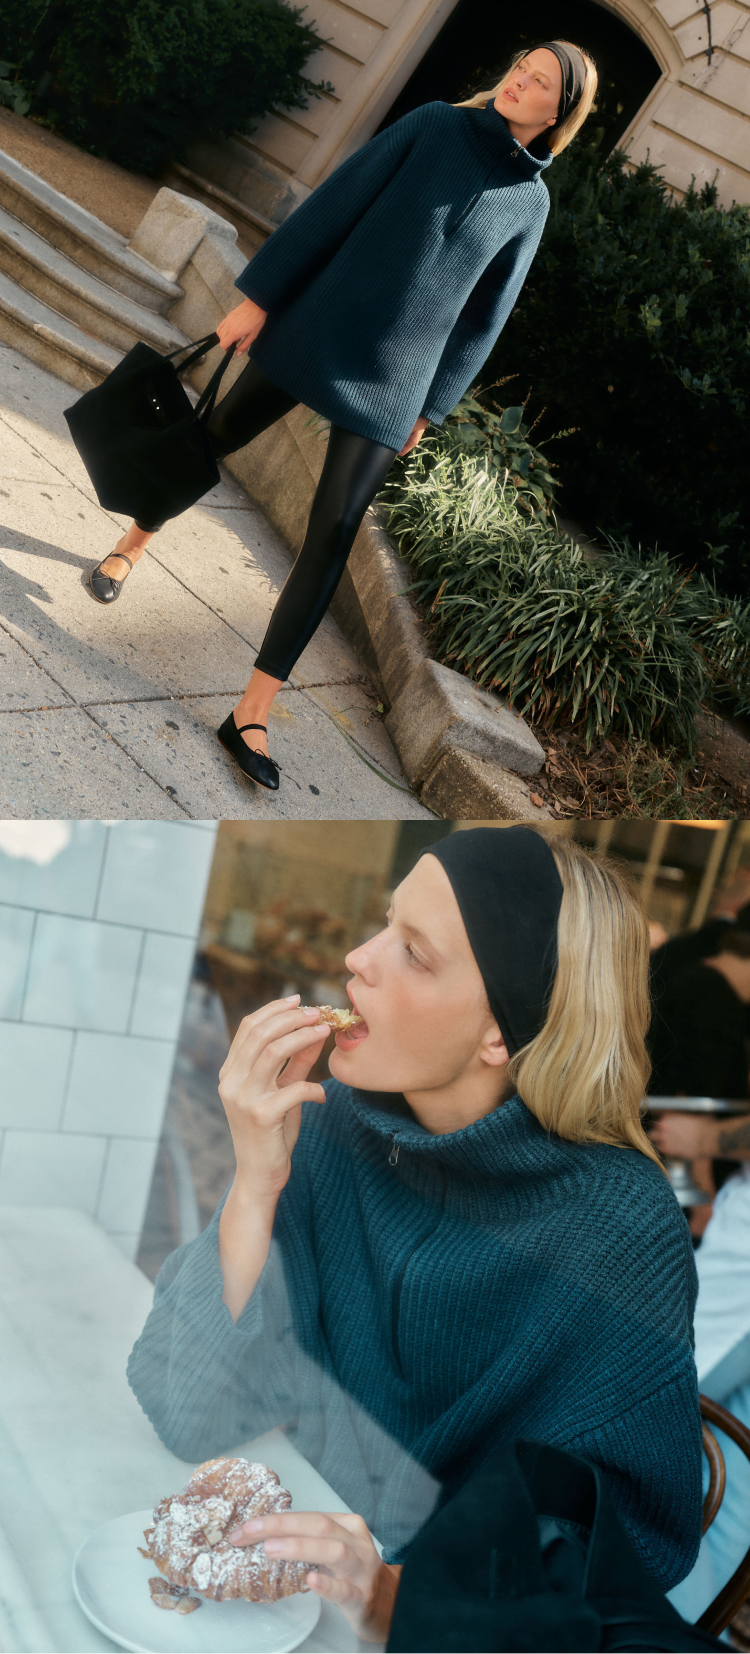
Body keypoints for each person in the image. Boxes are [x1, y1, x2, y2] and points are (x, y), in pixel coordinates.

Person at [127, 828, 702, 1643]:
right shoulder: (336, 1130)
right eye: (385, 924)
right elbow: (185, 1410)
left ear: (499, 1034)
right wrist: (255, 1182)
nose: (360, 957)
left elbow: (620, 1560)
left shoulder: (619, 1231)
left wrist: (398, 1597)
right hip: (292, 1596)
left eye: (414, 953)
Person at [89, 42, 598, 793]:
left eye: (540, 82)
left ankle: (252, 711)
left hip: (395, 383)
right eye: (521, 66)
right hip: (315, 327)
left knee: (331, 535)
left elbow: (486, 317)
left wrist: (431, 405)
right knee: (215, 435)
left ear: (559, 112)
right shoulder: (432, 124)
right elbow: (334, 204)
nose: (519, 81)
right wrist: (256, 300)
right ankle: (132, 544)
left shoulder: (532, 204)